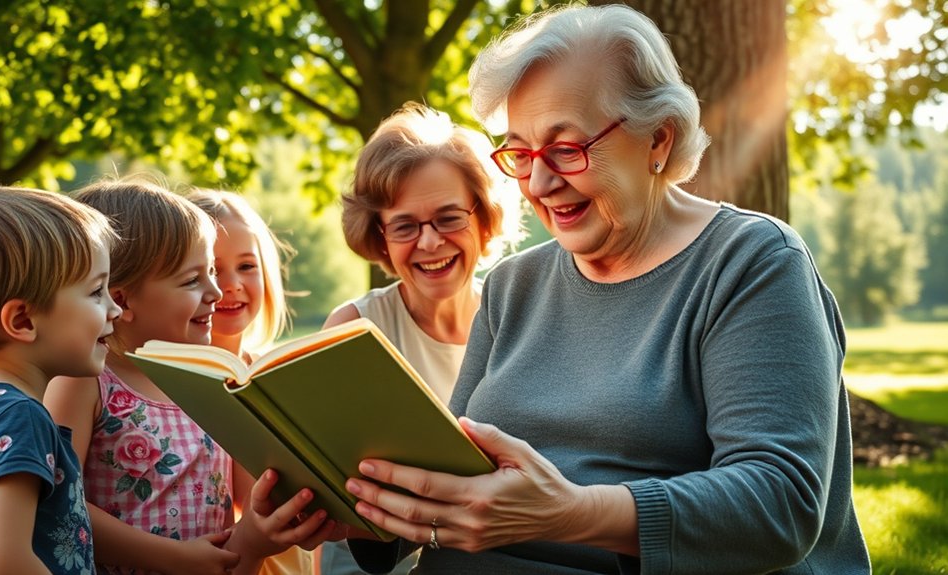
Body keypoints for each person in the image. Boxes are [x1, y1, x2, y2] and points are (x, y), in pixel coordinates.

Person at [341, 4, 871, 574]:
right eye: (520, 154)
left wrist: (568, 514)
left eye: (566, 149)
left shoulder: (751, 263)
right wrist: (352, 500)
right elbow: (456, 474)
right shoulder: (513, 285)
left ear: (658, 140)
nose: (539, 183)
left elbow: (779, 505)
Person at [44, 178, 333, 575]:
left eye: (210, 272)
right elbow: (58, 503)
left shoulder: (207, 381)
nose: (217, 291)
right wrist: (174, 558)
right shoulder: (86, 381)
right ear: (123, 300)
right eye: (193, 279)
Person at [317, 103, 521, 574]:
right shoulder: (352, 330)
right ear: (380, 236)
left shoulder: (519, 316)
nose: (429, 243)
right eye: (406, 225)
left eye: (449, 218)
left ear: (484, 220)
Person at [0, 186, 120, 574]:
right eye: (97, 292)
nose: (114, 309)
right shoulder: (19, 417)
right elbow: (5, 560)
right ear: (23, 321)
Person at [188, 188, 314, 575]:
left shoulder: (278, 372)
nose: (230, 285)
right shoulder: (178, 383)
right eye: (211, 270)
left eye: (246, 266)